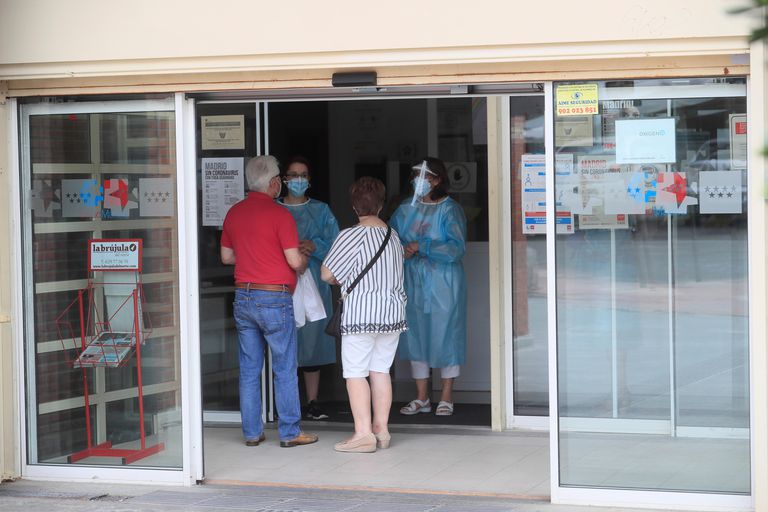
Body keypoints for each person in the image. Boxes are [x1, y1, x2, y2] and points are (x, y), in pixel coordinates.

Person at [220, 155, 318, 448]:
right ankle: (290, 433)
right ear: (274, 183)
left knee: (249, 369)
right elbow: (293, 260)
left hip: (244, 296)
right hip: (274, 297)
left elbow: (226, 257)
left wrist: (253, 255)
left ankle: (252, 432)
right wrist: (304, 258)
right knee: (284, 367)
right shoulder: (280, 215)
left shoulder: (234, 213)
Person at [321, 177, 407, 453]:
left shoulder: (351, 235)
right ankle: (381, 429)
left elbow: (327, 274)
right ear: (380, 205)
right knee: (380, 370)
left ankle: (362, 433)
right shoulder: (393, 236)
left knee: (356, 372)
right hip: (391, 314)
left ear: (355, 206)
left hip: (361, 314)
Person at [390, 157, 467, 417]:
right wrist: (403, 251)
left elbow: (456, 248)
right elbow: (389, 242)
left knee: (446, 333)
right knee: (417, 335)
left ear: (439, 180)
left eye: (426, 177)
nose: (419, 182)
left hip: (444, 282)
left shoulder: (449, 210)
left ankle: (446, 395)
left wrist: (423, 247)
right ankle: (422, 397)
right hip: (413, 281)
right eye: (416, 176)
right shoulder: (403, 210)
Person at [279, 156, 340, 420]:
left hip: (315, 282)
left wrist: (315, 246)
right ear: (284, 179)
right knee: (284, 341)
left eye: (303, 175)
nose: (298, 180)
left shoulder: (321, 210)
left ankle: (312, 401)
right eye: (293, 175)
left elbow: (337, 244)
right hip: (281, 282)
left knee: (312, 342)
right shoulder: (275, 210)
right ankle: (285, 404)